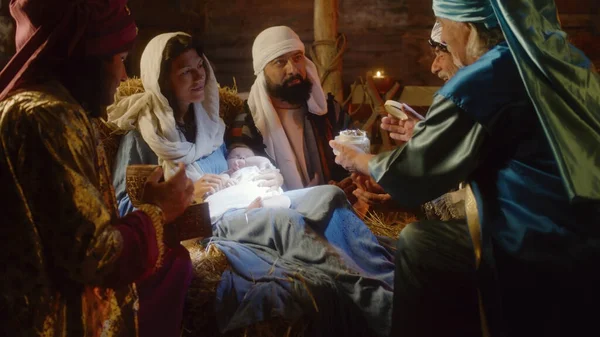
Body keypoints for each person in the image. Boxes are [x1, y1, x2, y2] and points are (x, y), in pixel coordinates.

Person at [331, 0, 600, 336]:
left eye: (443, 24)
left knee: (419, 242)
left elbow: (414, 172)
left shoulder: (484, 78)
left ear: (467, 27)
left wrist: (358, 160)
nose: (442, 34)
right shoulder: (561, 61)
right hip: (584, 226)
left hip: (538, 241)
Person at [109, 32, 397, 337]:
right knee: (288, 222)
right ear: (162, 79)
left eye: (200, 67)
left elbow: (230, 168)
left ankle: (385, 273)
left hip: (242, 202)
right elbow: (127, 208)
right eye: (185, 71)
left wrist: (253, 175)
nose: (198, 77)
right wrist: (185, 196)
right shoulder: (143, 137)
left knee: (329, 195)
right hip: (207, 221)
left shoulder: (208, 124)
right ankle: (380, 304)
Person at [0, 1, 195, 336]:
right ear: (84, 60)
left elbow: (71, 224)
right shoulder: (49, 117)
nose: (123, 77)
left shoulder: (44, 110)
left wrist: (144, 211)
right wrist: (158, 212)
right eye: (119, 61)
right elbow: (94, 257)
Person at [227, 26, 348, 191]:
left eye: (297, 58)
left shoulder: (330, 111)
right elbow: (246, 181)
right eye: (280, 62)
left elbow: (356, 158)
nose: (292, 69)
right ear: (263, 72)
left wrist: (347, 184)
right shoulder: (248, 123)